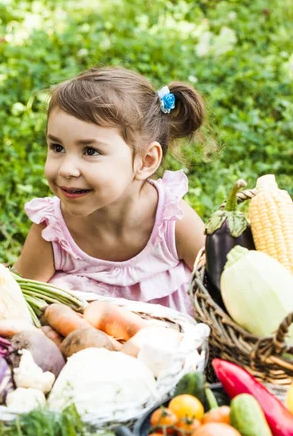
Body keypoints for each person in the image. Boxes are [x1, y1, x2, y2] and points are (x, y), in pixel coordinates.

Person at [14, 66, 206, 316]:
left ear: (146, 161)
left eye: (90, 151)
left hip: (177, 347)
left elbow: (223, 289)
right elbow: (16, 302)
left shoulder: (174, 223)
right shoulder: (52, 233)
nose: (66, 169)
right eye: (57, 147)